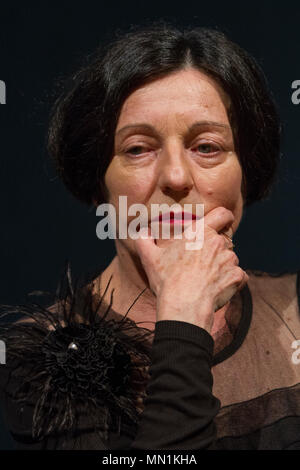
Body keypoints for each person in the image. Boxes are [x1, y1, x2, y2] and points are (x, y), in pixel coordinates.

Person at [0, 22, 299, 451]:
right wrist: (182, 315)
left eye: (207, 147)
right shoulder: (45, 354)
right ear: (99, 177)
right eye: (138, 149)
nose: (176, 177)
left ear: (246, 174)